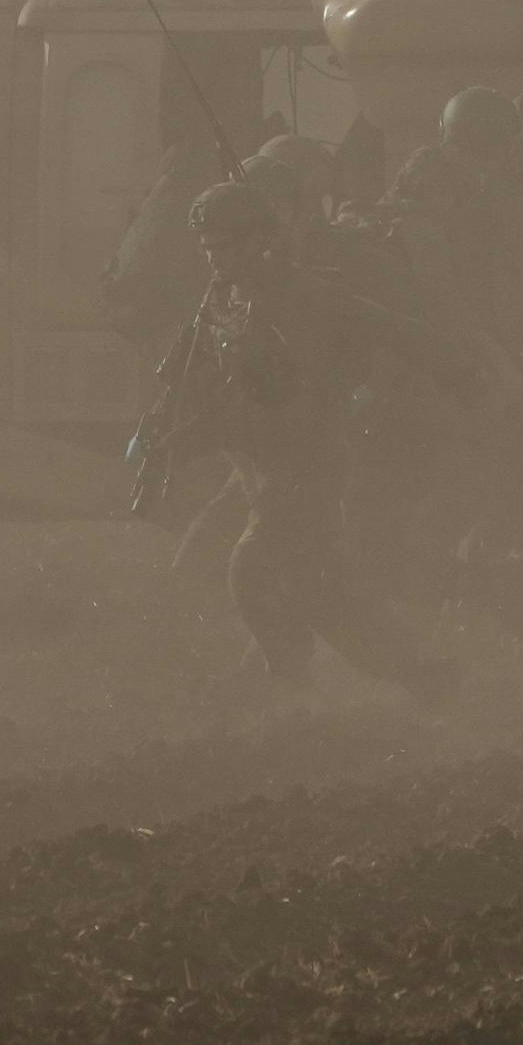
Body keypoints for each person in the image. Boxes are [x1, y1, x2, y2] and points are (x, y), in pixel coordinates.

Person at [134, 183, 472, 697]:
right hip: (256, 464)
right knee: (322, 592)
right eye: (206, 246)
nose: (212, 257)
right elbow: (187, 374)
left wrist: (459, 375)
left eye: (223, 245)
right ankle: (420, 674)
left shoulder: (307, 295)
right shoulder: (223, 302)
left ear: (256, 242)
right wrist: (159, 426)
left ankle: (287, 684)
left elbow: (398, 330)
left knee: (252, 569)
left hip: (309, 461)